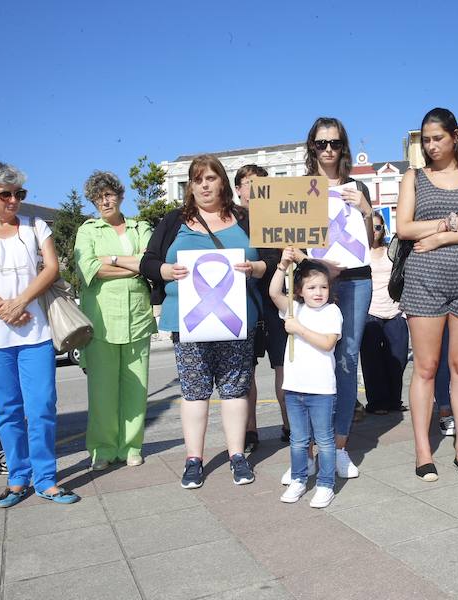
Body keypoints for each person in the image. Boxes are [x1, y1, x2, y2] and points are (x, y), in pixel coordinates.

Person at [139, 155, 270, 489]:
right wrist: (165, 271)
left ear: (222, 182)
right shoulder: (173, 221)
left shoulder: (245, 218)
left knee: (235, 390)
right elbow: (149, 262)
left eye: (211, 178)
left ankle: (237, 456)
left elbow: (270, 259)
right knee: (194, 392)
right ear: (190, 186)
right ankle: (193, 460)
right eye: (198, 180)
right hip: (190, 324)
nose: (205, 185)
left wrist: (255, 269)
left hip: (237, 321)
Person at [0, 162, 79, 507]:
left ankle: (47, 478)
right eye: (5, 194)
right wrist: (2, 307)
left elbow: (52, 268)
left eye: (19, 194)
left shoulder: (35, 225)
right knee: (7, 409)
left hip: (33, 331)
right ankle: (17, 478)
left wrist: (21, 301)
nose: (13, 200)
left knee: (41, 406)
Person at [397, 107, 458, 482]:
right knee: (424, 367)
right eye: (425, 139)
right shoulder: (414, 177)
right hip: (424, 276)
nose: (431, 145)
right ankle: (424, 452)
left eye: (437, 137)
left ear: (455, 136)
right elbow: (405, 228)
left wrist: (441, 237)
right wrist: (452, 222)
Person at [298, 117, 374, 479]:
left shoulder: (359, 186)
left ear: (343, 146)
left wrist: (366, 209)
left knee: (346, 360)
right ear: (311, 147)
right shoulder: (301, 189)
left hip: (357, 281)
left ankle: (338, 447)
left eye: (334, 143)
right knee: (315, 359)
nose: (328, 149)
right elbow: (292, 245)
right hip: (317, 282)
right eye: (321, 143)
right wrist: (314, 262)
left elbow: (372, 240)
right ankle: (312, 448)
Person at [74, 171, 155, 470]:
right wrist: (132, 264)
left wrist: (111, 260)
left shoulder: (140, 227)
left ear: (121, 196)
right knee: (102, 392)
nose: (104, 201)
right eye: (98, 197)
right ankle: (102, 449)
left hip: (138, 318)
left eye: (109, 194)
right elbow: (89, 270)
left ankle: (132, 446)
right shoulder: (88, 230)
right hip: (101, 321)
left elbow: (150, 263)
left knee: (137, 389)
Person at [270, 250, 342, 508]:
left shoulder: (332, 312)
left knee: (324, 440)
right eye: (311, 287)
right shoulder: (294, 308)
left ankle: (325, 484)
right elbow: (274, 293)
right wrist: (283, 265)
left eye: (323, 286)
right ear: (299, 290)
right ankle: (299, 479)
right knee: (298, 440)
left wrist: (298, 328)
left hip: (321, 390)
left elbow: (327, 343)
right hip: (294, 388)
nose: (318, 291)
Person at [234, 164, 289, 452]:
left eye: (260, 184)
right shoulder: (229, 221)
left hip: (276, 300)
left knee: (284, 366)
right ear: (238, 189)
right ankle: (250, 430)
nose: (254, 189)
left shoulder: (279, 216)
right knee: (246, 370)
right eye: (248, 183)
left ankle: (290, 425)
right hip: (243, 303)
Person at [360, 211, 409, 414]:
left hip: (395, 311)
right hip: (370, 312)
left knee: (398, 358)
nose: (375, 231)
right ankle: (376, 403)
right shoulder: (359, 254)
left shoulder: (392, 251)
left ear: (383, 230)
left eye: (378, 227)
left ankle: (394, 400)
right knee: (372, 361)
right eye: (372, 227)